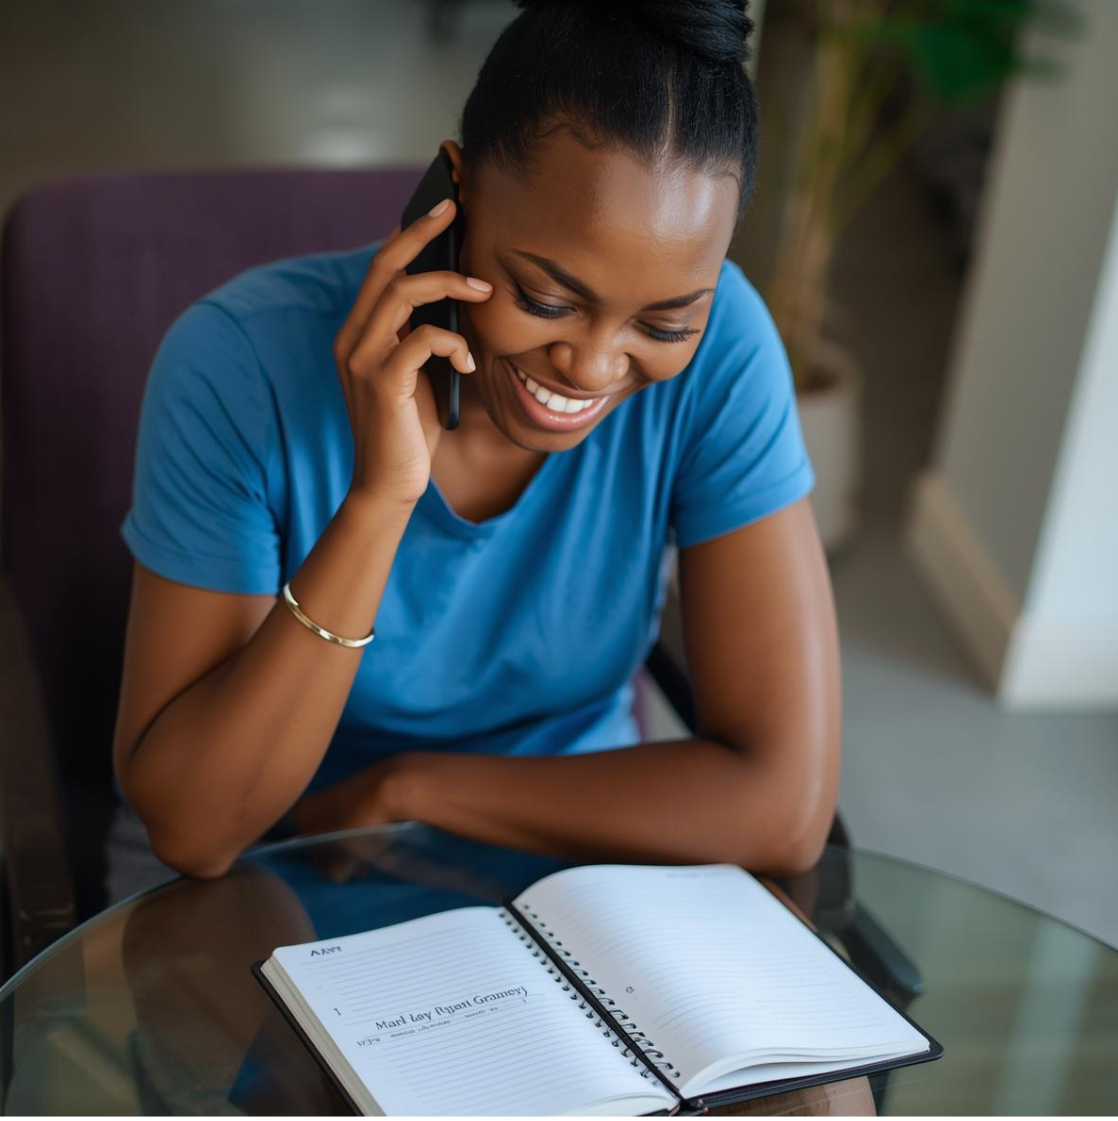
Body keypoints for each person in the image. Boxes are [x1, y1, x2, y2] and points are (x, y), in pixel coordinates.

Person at [109, 0, 841, 896]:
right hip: (272, 869)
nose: (594, 363)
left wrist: (414, 789)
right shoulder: (235, 365)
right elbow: (197, 828)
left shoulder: (725, 353)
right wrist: (380, 500)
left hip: (567, 857)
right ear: (454, 194)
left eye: (664, 320)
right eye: (546, 297)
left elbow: (787, 807)